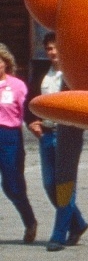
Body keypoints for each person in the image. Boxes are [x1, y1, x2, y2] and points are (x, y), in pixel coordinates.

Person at [28, 34, 87, 251]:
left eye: (55, 48)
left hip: (68, 134)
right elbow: (30, 99)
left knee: (65, 184)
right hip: (47, 134)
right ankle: (78, 223)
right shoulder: (43, 73)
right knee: (49, 183)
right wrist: (32, 121)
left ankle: (59, 234)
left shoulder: (73, 76)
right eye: (49, 49)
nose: (52, 52)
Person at [0, 43, 38, 243]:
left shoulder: (17, 85)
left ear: (6, 63)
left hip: (9, 137)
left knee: (12, 185)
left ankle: (29, 221)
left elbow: (27, 113)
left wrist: (36, 127)